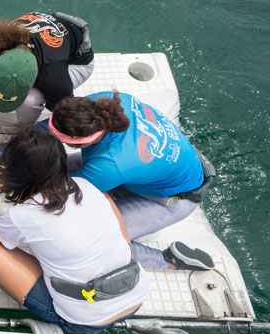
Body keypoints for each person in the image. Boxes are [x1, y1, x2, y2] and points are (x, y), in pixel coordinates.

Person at [0, 130, 149, 334]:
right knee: (104, 202)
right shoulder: (86, 186)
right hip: (136, 294)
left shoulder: (24, 215)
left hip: (84, 320)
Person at [49, 91, 216, 270]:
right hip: (166, 166)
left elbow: (62, 194)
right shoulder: (106, 101)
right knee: (60, 167)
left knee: (96, 240)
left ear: (83, 140)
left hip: (173, 199)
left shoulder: (111, 165)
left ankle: (170, 261)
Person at [0, 12, 94, 157]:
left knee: (30, 101)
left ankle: (24, 131)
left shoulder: (55, 81)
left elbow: (62, 120)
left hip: (76, 62)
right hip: (43, 36)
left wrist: (15, 145)